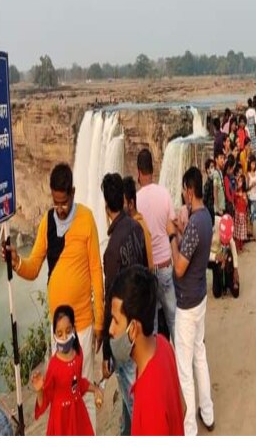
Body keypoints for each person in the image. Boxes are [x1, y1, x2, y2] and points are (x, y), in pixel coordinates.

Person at [1, 163, 103, 430]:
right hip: (57, 330)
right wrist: (15, 262)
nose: (60, 208)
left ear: (73, 192)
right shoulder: (47, 222)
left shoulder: (86, 219)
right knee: (59, 392)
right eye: (56, 203)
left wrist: (100, 322)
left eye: (64, 202)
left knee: (85, 390)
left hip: (81, 325)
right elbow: (34, 266)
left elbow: (96, 272)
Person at [108, 266, 185, 435]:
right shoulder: (163, 345)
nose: (111, 330)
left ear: (133, 328)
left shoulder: (149, 398)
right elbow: (182, 407)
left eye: (115, 321)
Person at [168, 167, 215, 436]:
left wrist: (173, 235)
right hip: (200, 297)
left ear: (188, 190)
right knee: (200, 355)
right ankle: (207, 412)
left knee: (184, 368)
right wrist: (182, 231)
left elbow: (179, 268)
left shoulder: (195, 224)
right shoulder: (205, 217)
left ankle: (189, 430)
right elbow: (194, 247)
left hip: (187, 304)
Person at [100, 173, 148, 435]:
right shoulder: (136, 228)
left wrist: (107, 350)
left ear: (108, 207)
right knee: (136, 385)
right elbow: (145, 270)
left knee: (131, 392)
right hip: (142, 322)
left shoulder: (111, 250)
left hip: (125, 332)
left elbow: (110, 299)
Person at [32, 305, 103, 436]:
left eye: (68, 331)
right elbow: (45, 400)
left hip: (77, 414)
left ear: (74, 330)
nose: (64, 337)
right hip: (60, 420)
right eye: (60, 333)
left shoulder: (78, 354)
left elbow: (78, 383)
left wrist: (95, 389)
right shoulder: (54, 365)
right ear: (54, 336)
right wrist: (39, 390)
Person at [136, 149, 177, 343]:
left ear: (138, 172)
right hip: (166, 266)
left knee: (151, 326)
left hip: (149, 270)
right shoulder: (165, 194)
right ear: (153, 169)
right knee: (174, 320)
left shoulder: (136, 200)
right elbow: (172, 227)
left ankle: (156, 368)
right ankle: (182, 365)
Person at [122, 176, 154, 271]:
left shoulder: (139, 228)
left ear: (131, 204)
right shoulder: (135, 224)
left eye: (122, 203)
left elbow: (149, 266)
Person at [247, 157, 256, 240]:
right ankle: (253, 233)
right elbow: (247, 187)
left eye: (254, 164)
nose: (253, 165)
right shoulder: (248, 174)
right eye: (252, 164)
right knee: (252, 214)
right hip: (251, 196)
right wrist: (252, 185)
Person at [233, 170, 248, 252]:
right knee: (237, 230)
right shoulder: (236, 192)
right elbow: (234, 198)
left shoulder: (244, 193)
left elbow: (246, 204)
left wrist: (244, 198)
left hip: (242, 213)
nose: (239, 183)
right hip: (237, 212)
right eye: (238, 181)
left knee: (241, 230)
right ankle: (237, 246)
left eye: (241, 181)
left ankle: (241, 245)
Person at [212, 149, 226, 217]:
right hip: (218, 210)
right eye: (221, 158)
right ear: (216, 159)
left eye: (223, 158)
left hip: (222, 207)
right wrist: (217, 209)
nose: (222, 160)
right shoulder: (215, 173)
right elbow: (215, 191)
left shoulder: (220, 172)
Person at [202, 159, 216, 224]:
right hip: (209, 211)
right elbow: (204, 199)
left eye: (214, 167)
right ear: (207, 170)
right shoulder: (208, 183)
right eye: (211, 167)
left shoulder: (214, 181)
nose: (213, 169)